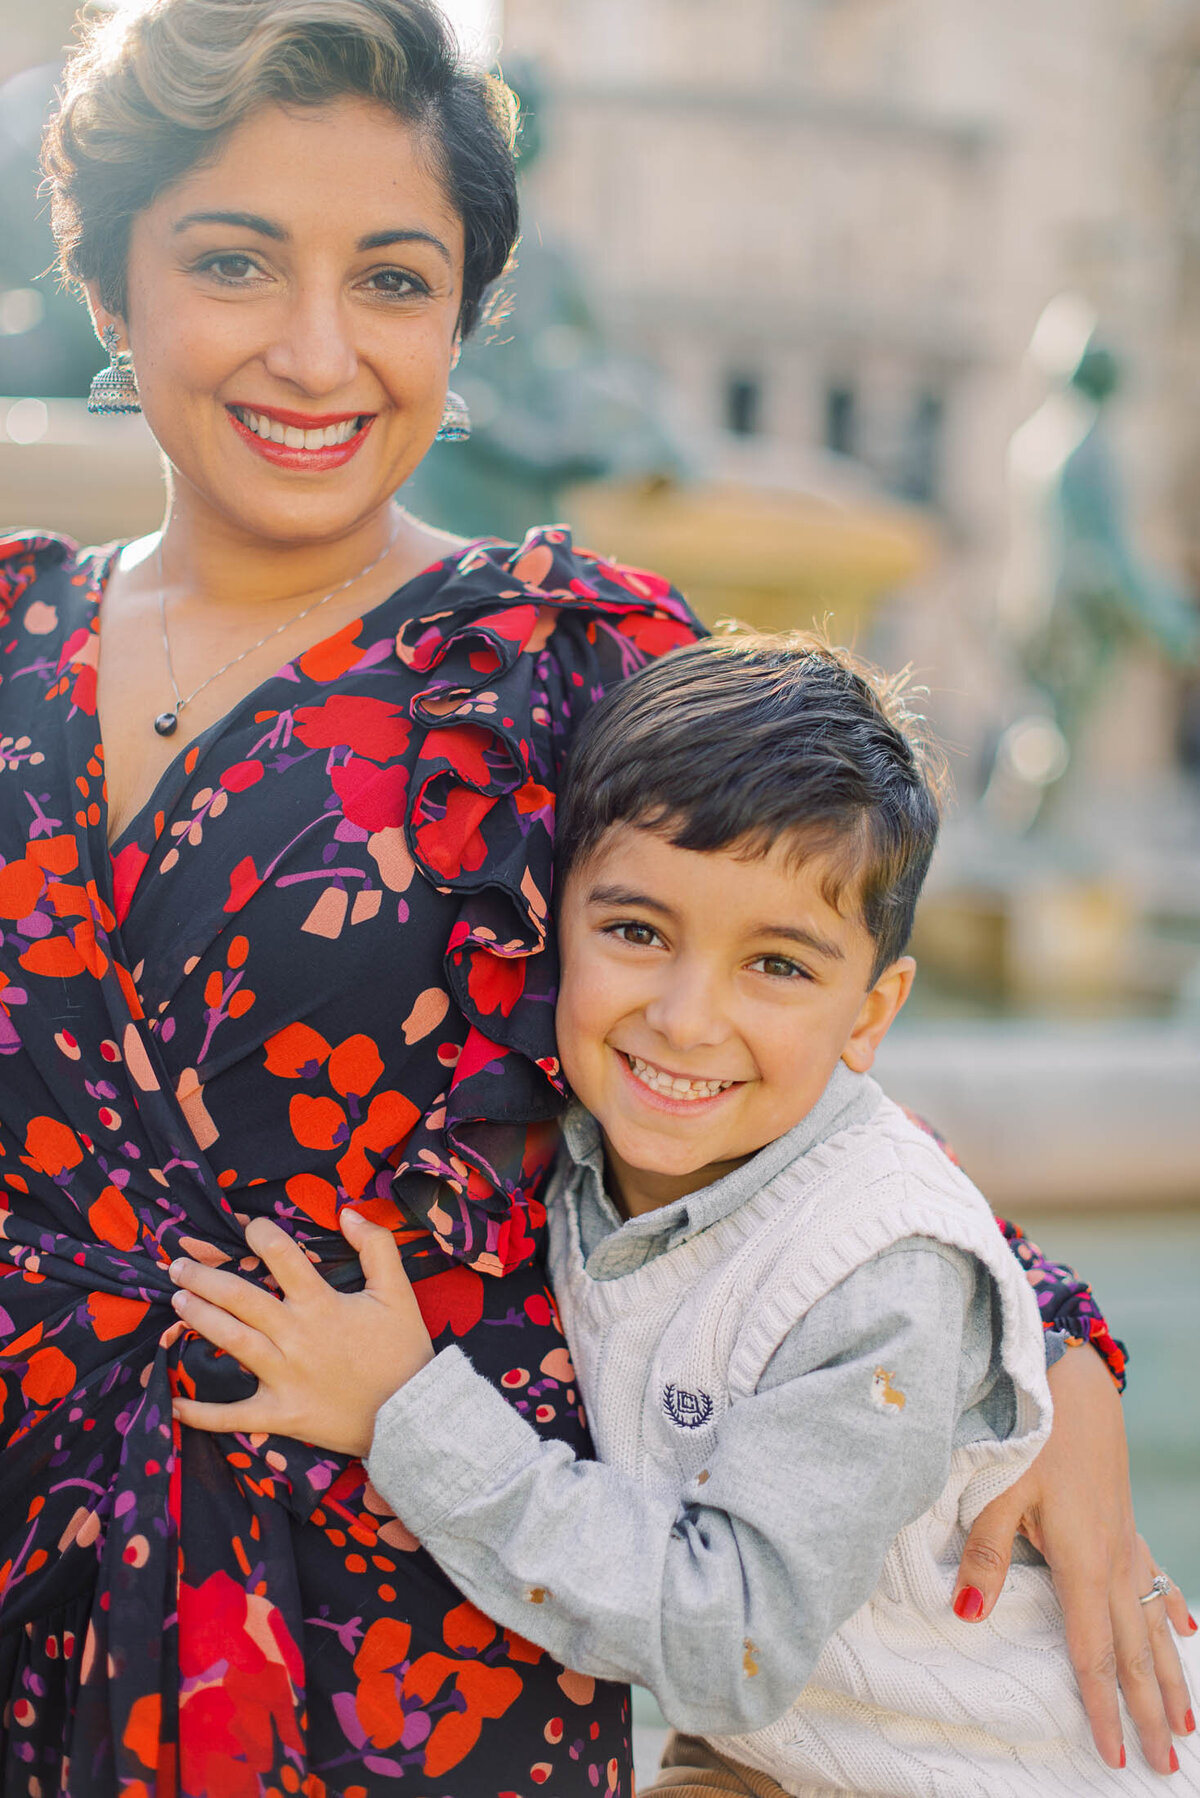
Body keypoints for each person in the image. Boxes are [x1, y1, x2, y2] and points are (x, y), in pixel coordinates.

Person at [0, 0, 1188, 1790]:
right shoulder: (10, 640)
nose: (319, 354)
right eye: (236, 261)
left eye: (394, 282)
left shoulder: (558, 656)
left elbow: (767, 1026)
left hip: (402, 1642)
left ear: (466, 317)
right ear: (112, 284)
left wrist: (1058, 1346)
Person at [168, 633, 1200, 1794]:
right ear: (554, 920)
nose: (686, 1017)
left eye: (780, 966)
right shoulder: (587, 1151)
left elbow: (733, 1642)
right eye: (638, 932)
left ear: (872, 1014)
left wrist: (407, 1414)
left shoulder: (877, 1273)